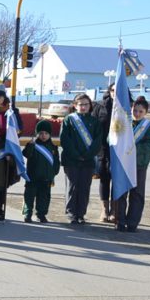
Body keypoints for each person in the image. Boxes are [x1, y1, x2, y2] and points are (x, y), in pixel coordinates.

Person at [60, 93, 103, 225]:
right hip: (71, 160)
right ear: (75, 105)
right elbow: (65, 139)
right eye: (80, 104)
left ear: (90, 106)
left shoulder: (95, 122)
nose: (83, 107)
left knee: (84, 188)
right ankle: (71, 213)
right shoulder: (68, 120)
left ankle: (81, 214)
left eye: (86, 104)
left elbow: (98, 141)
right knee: (72, 187)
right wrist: (75, 154)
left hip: (88, 161)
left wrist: (87, 155)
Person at [116, 97, 150, 232]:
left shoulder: (148, 127)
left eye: (140, 111)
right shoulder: (123, 123)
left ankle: (132, 222)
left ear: (145, 112)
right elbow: (113, 137)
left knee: (137, 194)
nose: (137, 113)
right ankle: (120, 220)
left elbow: (148, 145)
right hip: (123, 164)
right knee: (121, 193)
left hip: (139, 165)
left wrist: (131, 150)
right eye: (135, 110)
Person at [22, 120, 60, 224]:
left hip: (46, 178)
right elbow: (26, 154)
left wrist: (54, 172)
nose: (43, 135)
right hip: (32, 177)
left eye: (46, 133)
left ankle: (41, 215)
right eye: (41, 133)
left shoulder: (53, 148)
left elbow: (56, 162)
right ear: (37, 134)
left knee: (44, 198)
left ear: (50, 134)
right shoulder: (33, 145)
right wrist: (30, 145)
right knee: (29, 197)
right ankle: (27, 214)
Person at [92, 83, 117, 222]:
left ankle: (114, 209)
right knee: (104, 179)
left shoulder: (128, 106)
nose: (115, 93)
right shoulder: (100, 106)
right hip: (103, 149)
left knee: (117, 179)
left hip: (120, 150)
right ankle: (104, 210)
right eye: (113, 90)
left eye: (119, 91)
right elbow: (94, 127)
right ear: (109, 91)